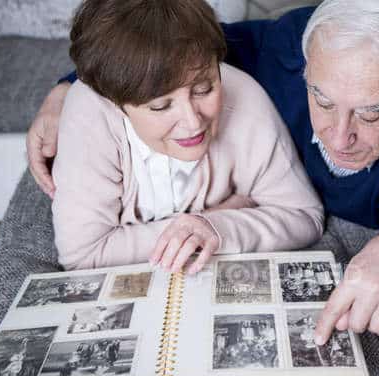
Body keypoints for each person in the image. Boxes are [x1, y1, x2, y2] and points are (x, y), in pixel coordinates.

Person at [26, 1, 379, 344]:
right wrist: (66, 89)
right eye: (322, 100)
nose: (340, 138)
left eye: (373, 114)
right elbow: (161, 51)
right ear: (305, 66)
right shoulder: (282, 47)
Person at [48, 0, 323, 271]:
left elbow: (304, 216)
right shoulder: (88, 112)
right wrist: (204, 222)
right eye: (161, 106)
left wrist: (216, 228)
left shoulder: (244, 96)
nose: (193, 123)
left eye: (204, 89)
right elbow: (82, 254)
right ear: (116, 102)